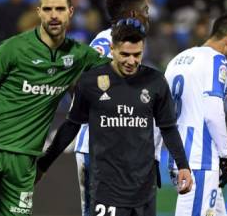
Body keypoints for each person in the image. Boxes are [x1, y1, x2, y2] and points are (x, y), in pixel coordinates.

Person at [0, 0, 110, 216]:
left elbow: (119, 67)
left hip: (24, 163)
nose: (54, 15)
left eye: (60, 9)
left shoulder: (79, 55)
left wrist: (127, 33)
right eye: (48, 9)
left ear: (70, 12)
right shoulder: (13, 48)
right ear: (38, 12)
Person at [37, 18, 193, 216]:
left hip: (144, 188)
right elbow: (71, 125)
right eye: (125, 54)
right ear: (112, 49)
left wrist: (183, 166)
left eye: (137, 54)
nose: (131, 61)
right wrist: (44, 163)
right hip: (105, 188)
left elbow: (168, 127)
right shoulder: (91, 82)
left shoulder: (155, 81)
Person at [72, 0, 159, 215]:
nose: (149, 17)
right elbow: (82, 79)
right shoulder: (106, 40)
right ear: (133, 14)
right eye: (145, 12)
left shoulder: (131, 45)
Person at [164, 12, 227, 216]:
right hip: (200, 160)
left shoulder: (177, 60)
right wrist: (226, 154)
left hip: (178, 157)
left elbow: (160, 111)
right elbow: (213, 113)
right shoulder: (217, 61)